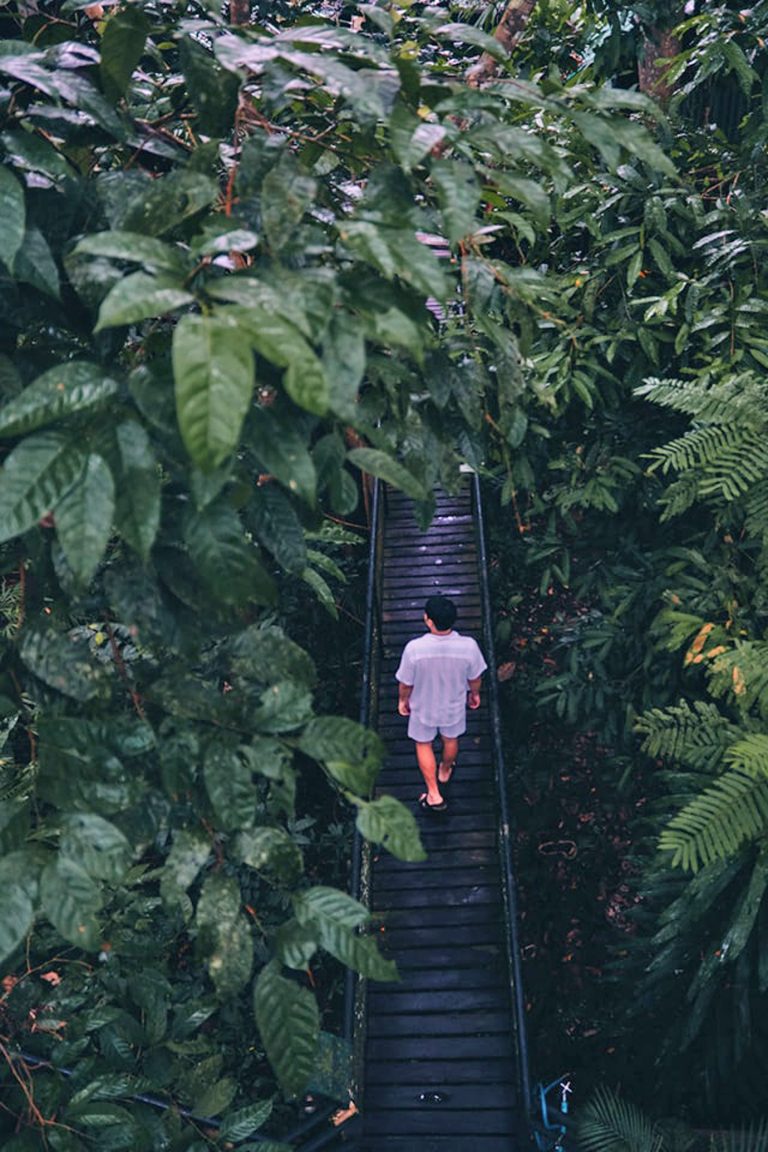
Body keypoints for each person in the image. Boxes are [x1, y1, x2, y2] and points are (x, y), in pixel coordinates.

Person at [395, 594, 487, 813]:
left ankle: (434, 794)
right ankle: (445, 769)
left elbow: (406, 683)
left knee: (423, 744)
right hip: (453, 705)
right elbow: (475, 677)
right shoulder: (469, 646)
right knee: (450, 739)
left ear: (428, 620)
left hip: (423, 706)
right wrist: (474, 694)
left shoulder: (414, 649)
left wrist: (403, 700)